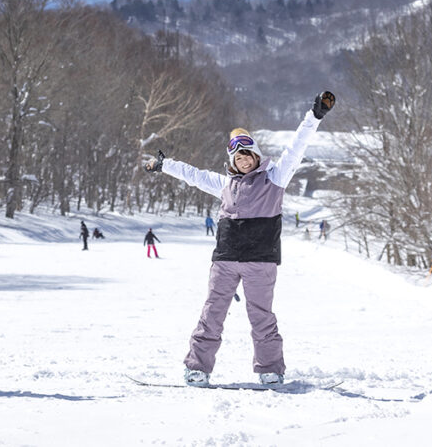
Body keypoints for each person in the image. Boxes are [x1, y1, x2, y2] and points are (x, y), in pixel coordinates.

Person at [143, 91, 335, 387]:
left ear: (256, 155)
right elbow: (193, 175)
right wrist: (164, 165)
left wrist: (314, 117)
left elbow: (297, 147)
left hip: (260, 260)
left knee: (261, 316)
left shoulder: (275, 177)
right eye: (238, 157)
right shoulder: (225, 184)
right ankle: (198, 368)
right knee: (212, 312)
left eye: (248, 155)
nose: (244, 160)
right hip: (226, 259)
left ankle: (270, 369)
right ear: (232, 160)